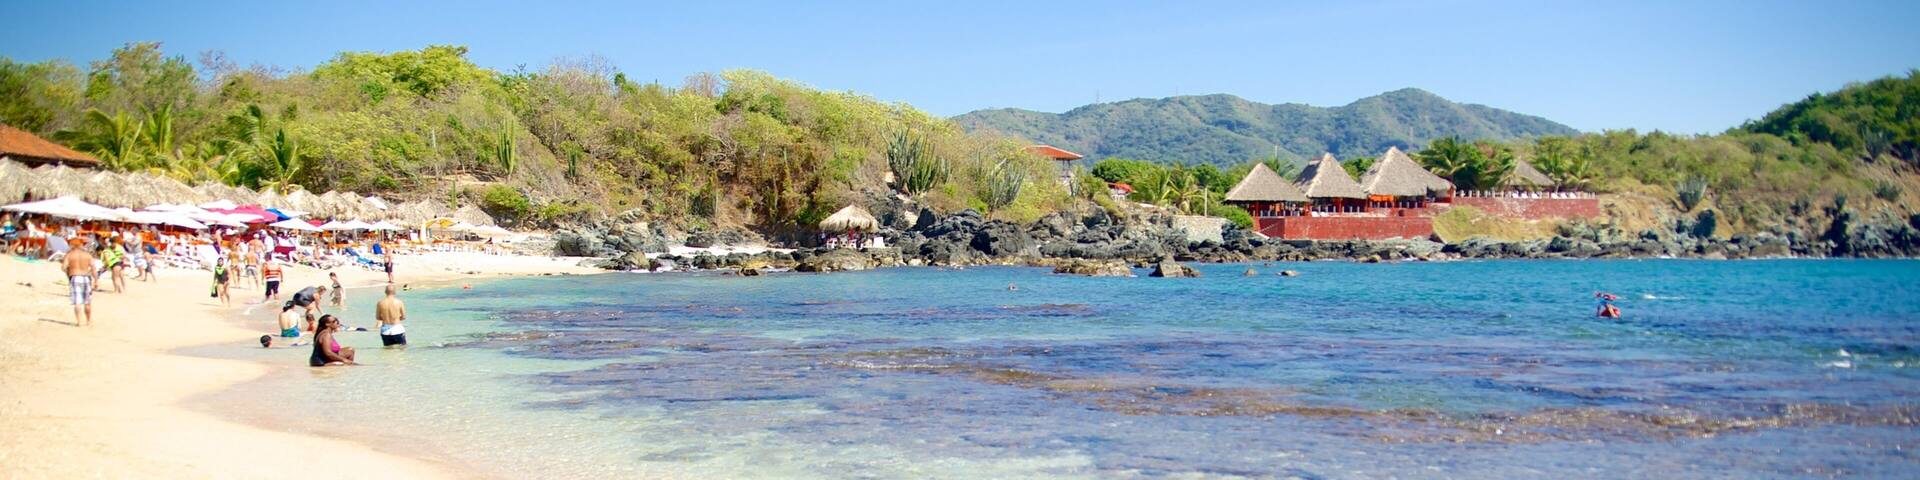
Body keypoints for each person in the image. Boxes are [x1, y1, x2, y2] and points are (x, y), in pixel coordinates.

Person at [62, 238, 96, 327]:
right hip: (86, 277)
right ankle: (88, 321)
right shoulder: (87, 255)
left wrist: (69, 270)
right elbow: (93, 268)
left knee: (77, 301)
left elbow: (63, 267)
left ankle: (79, 322)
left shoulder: (69, 255)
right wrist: (96, 280)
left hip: (75, 276)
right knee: (87, 302)